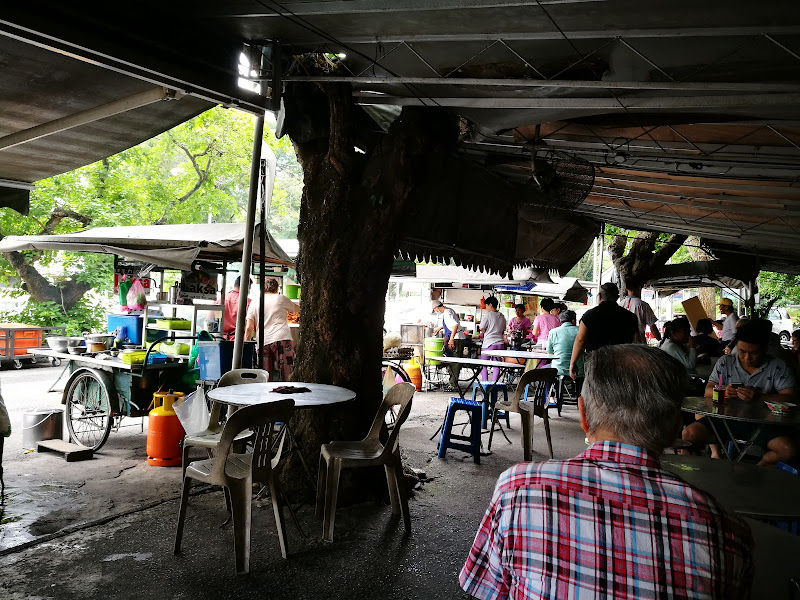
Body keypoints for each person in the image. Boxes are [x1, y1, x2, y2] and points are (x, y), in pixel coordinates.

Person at [460, 344, 753, 600]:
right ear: (676, 426)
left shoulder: (519, 488)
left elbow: (486, 587)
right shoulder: (725, 530)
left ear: (583, 416)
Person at [682, 321, 797, 465]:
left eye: (754, 353)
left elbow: (790, 398)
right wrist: (723, 391)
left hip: (763, 424)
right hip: (725, 421)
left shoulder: (777, 366)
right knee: (688, 435)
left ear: (765, 349)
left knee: (788, 450)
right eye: (742, 351)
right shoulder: (725, 362)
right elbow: (708, 391)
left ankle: (759, 467)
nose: (747, 358)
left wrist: (760, 397)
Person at [569, 282, 638, 379]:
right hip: (622, 362)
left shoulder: (589, 315)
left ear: (599, 296)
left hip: (595, 362)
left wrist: (572, 363)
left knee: (594, 391)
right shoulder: (631, 317)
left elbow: (580, 340)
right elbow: (636, 342)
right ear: (617, 297)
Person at [245, 278, 299, 381]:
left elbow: (249, 327)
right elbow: (297, 310)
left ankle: (266, 396)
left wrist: (245, 345)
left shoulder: (255, 302)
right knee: (286, 375)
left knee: (265, 377)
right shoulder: (281, 298)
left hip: (263, 342)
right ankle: (286, 394)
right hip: (282, 339)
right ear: (277, 288)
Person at [433, 300, 467, 388]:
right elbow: (450, 324)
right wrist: (439, 328)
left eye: (435, 310)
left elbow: (455, 325)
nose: (436, 311)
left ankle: (453, 385)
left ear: (437, 307)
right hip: (457, 337)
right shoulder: (449, 310)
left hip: (456, 339)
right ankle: (452, 382)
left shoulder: (447, 313)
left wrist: (451, 339)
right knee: (452, 361)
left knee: (455, 362)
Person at [619, 276, 661, 343]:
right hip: (638, 341)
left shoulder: (620, 304)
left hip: (623, 341)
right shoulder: (643, 305)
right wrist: (661, 341)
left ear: (626, 288)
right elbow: (652, 327)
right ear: (640, 287)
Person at [546, 309, 583, 382]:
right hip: (578, 371)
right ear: (573, 320)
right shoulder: (580, 331)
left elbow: (550, 353)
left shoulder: (553, 332)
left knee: (544, 369)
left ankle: (552, 392)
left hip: (558, 370)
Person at [478, 297, 506, 382]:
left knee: (483, 364)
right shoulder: (502, 316)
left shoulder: (488, 315)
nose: (486, 307)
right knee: (496, 365)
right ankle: (494, 384)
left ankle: (485, 383)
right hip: (500, 344)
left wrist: (486, 331)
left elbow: (482, 328)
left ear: (490, 305)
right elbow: (503, 329)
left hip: (489, 343)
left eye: (486, 305)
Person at [222, 275, 252, 341]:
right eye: (249, 288)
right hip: (239, 341)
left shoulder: (221, 299)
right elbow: (251, 325)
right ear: (247, 287)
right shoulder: (248, 302)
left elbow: (210, 320)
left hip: (221, 339)